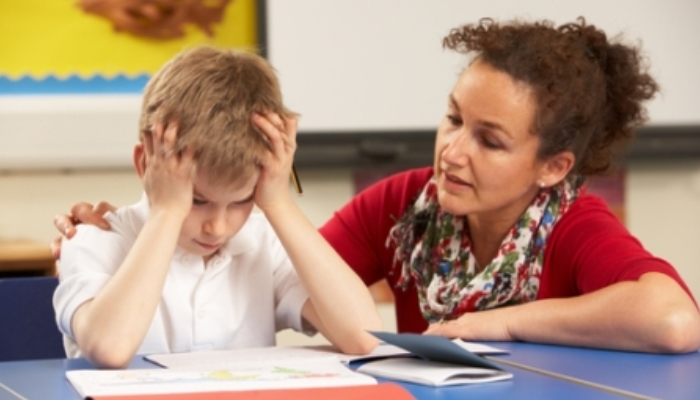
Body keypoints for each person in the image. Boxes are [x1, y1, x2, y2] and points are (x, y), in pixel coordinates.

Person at [54, 17, 700, 354]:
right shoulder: (404, 205)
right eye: (452, 119)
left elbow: (672, 318)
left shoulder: (573, 223)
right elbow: (313, 277)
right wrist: (161, 215)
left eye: (490, 139)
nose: (452, 150)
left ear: (552, 166)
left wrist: (494, 324)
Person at [52, 46, 381, 369]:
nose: (217, 227)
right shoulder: (93, 239)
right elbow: (109, 349)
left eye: (241, 201)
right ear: (145, 164)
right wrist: (168, 212)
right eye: (196, 200)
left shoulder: (264, 244)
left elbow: (365, 337)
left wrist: (278, 202)